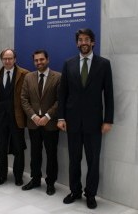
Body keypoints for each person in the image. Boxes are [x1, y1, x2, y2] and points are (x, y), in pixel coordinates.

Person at [57, 28, 114, 209]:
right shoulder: (69, 63)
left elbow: (109, 94)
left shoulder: (104, 64)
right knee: (74, 159)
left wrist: (108, 120)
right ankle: (75, 191)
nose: (83, 42)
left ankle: (90, 194)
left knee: (93, 160)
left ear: (93, 42)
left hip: (94, 123)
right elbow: (62, 93)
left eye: (87, 39)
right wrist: (60, 118)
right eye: (80, 40)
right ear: (77, 43)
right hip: (72, 122)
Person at [21, 49, 61, 196]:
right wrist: (34, 117)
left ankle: (50, 183)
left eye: (41, 59)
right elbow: (24, 99)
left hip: (50, 124)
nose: (39, 62)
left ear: (47, 60)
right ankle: (35, 179)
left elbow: (59, 100)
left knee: (51, 155)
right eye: (36, 60)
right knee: (35, 153)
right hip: (33, 124)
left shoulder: (57, 77)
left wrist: (47, 116)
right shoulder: (28, 77)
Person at [0, 48, 29, 186]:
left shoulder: (24, 74)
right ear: (2, 60)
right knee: (1, 149)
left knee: (18, 149)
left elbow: (27, 97)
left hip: (17, 118)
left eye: (10, 58)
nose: (7, 61)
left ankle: (18, 177)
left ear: (15, 59)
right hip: (0, 118)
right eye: (5, 58)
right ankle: (2, 176)